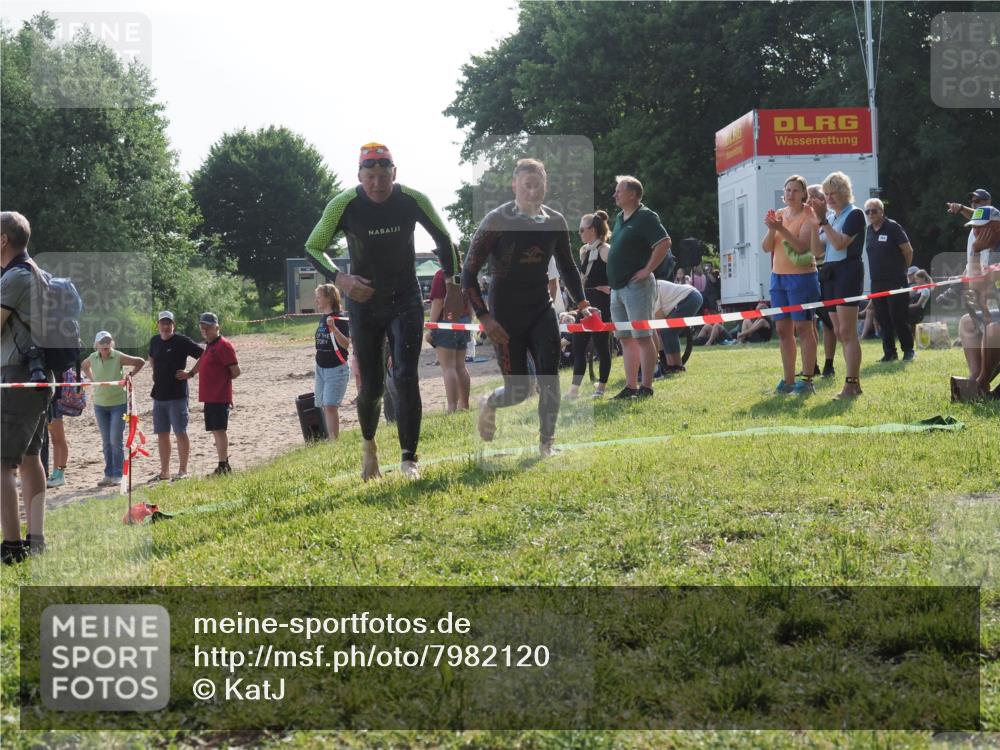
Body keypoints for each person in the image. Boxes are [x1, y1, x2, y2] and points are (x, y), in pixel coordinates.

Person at [304, 142, 462, 481]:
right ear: (359, 175)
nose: (377, 183)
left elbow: (445, 238)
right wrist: (341, 279)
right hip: (364, 305)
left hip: (404, 299)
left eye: (384, 175)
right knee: (372, 387)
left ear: (395, 173)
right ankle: (369, 448)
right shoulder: (343, 204)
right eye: (370, 176)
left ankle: (409, 459)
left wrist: (454, 286)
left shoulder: (412, 199)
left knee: (405, 375)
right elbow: (312, 246)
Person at [463, 158, 592, 456]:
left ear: (546, 186)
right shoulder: (497, 220)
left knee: (550, 377)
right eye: (527, 186)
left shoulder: (555, 221)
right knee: (518, 391)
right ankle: (489, 402)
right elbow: (468, 273)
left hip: (540, 308)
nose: (533, 192)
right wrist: (484, 317)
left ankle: (546, 444)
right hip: (504, 314)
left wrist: (583, 303)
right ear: (515, 186)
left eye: (538, 186)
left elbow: (568, 266)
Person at [1, 211, 51, 563]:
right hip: (38, 375)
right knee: (31, 457)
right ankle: (35, 541)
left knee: (2, 463)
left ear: (3, 239)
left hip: (17, 374)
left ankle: (12, 547)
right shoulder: (38, 273)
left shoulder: (14, 277)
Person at [606, 175, 672, 399]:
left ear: (633, 194)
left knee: (643, 336)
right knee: (625, 338)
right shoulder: (619, 218)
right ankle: (631, 386)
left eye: (619, 191)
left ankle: (647, 387)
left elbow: (664, 242)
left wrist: (647, 269)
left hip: (637, 287)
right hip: (618, 288)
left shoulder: (646, 216)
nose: (614, 194)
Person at [762, 175, 822, 396]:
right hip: (778, 278)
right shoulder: (779, 215)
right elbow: (767, 247)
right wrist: (772, 229)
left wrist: (781, 229)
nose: (790, 194)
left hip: (802, 277)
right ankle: (788, 381)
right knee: (782, 329)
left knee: (804, 327)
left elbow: (801, 247)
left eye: (795, 190)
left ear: (804, 194)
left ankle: (806, 380)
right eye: (787, 190)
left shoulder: (809, 215)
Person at [809, 171, 866, 399]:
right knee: (839, 332)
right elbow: (817, 251)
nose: (830, 198)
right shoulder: (831, 218)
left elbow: (841, 243)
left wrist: (823, 220)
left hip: (848, 272)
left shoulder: (855, 214)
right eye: (827, 194)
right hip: (830, 273)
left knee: (847, 331)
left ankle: (851, 384)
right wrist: (816, 222)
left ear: (844, 193)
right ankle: (854, 383)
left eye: (834, 193)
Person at [81, 331, 144, 487]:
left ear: (112, 344)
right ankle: (108, 474)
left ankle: (118, 474)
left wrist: (129, 375)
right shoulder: (93, 357)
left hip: (118, 403)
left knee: (116, 439)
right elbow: (84, 366)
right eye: (102, 343)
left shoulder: (117, 356)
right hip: (100, 404)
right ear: (96, 345)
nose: (105, 346)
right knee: (106, 441)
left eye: (108, 342)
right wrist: (92, 380)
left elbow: (140, 361)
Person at [180, 312, 240, 475]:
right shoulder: (210, 346)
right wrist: (190, 373)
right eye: (202, 327)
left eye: (208, 327)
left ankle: (223, 466)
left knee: (219, 430)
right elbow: (203, 360)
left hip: (219, 396)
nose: (205, 330)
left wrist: (224, 388)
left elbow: (235, 371)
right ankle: (223, 463)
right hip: (210, 397)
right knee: (215, 430)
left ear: (217, 327)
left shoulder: (223, 345)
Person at [147, 310, 203, 482]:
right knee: (162, 434)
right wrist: (155, 371)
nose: (165, 326)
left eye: (168, 323)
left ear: (173, 325)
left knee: (180, 432)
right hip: (159, 396)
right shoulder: (154, 340)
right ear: (158, 325)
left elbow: (204, 354)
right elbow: (151, 356)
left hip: (177, 395)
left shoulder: (181, 341)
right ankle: (164, 473)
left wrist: (191, 373)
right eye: (162, 323)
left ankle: (183, 471)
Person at [863, 198, 917, 363]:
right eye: (868, 212)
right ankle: (889, 353)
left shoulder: (893, 227)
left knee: (898, 316)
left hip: (896, 280)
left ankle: (908, 350)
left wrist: (903, 270)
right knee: (882, 317)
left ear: (882, 211)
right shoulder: (869, 231)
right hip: (877, 281)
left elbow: (908, 250)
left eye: (874, 211)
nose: (871, 214)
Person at [567, 210, 613, 399]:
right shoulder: (584, 250)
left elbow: (618, 275)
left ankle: (600, 388)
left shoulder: (606, 250)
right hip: (585, 305)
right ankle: (574, 390)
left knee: (602, 347)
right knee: (578, 346)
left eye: (581, 230)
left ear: (592, 230)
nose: (579, 233)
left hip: (601, 304)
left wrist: (610, 288)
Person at [957, 207, 1000, 383]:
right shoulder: (990, 251)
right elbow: (976, 289)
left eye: (981, 227)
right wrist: (974, 252)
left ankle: (982, 382)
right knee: (967, 322)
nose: (976, 232)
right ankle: (975, 377)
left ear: (997, 227)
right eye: (974, 227)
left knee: (993, 329)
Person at [425, 268, 471, 412]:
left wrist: (431, 327)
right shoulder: (464, 272)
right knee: (461, 366)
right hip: (463, 321)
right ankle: (464, 405)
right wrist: (469, 320)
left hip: (445, 322)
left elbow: (438, 302)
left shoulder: (441, 274)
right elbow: (470, 300)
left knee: (449, 368)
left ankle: (452, 407)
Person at [312, 284, 352, 436]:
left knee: (330, 405)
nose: (316, 301)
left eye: (319, 297)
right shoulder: (323, 318)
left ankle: (334, 442)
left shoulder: (339, 318)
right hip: (321, 367)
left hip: (336, 367)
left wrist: (334, 328)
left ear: (329, 298)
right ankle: (329, 438)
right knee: (323, 405)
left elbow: (346, 344)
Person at [652, 278, 702, 375]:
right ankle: (672, 366)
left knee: (668, 331)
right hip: (691, 296)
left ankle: (676, 366)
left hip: (691, 297)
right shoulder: (652, 288)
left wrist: (660, 353)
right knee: (666, 332)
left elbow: (660, 323)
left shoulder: (653, 290)